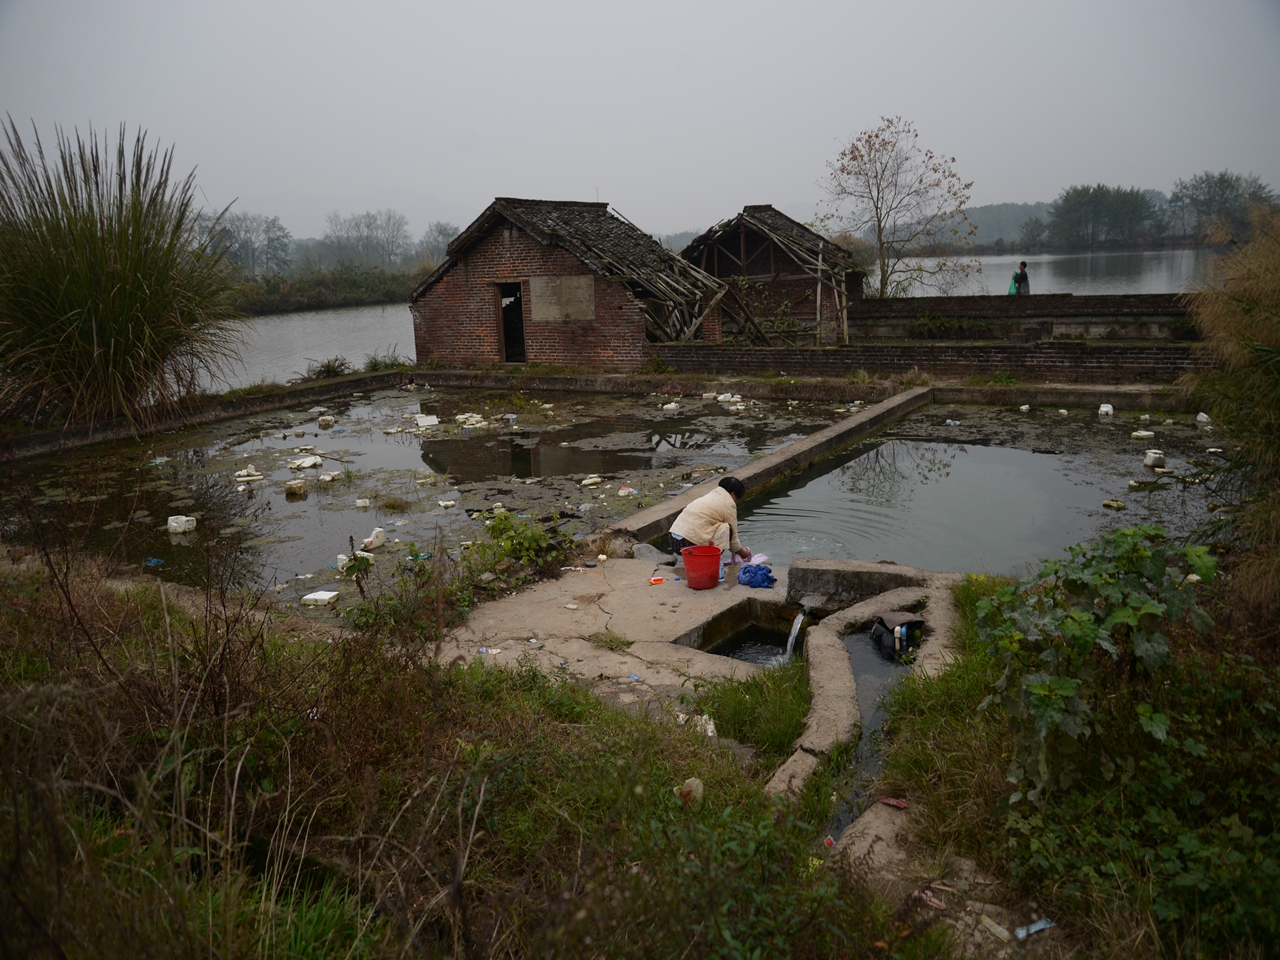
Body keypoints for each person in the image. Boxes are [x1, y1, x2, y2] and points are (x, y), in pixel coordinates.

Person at [668, 476, 751, 565]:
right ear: (733, 494)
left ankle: (695, 562)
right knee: (727, 529)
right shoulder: (729, 503)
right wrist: (745, 554)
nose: (736, 502)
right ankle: (711, 563)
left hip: (674, 540)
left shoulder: (709, 496)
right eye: (737, 499)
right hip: (687, 544)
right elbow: (733, 543)